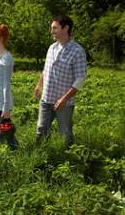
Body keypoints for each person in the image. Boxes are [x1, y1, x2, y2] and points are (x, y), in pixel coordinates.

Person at [34, 14, 87, 146]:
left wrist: (64, 99)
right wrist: (39, 85)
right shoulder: (52, 48)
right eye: (52, 28)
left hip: (64, 102)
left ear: (66, 28)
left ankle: (68, 157)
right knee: (41, 129)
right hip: (46, 98)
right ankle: (40, 154)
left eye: (55, 28)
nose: (52, 31)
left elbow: (80, 79)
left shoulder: (77, 51)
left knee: (65, 133)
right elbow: (46, 70)